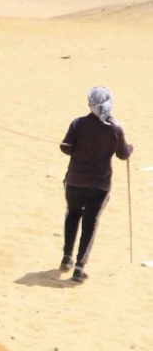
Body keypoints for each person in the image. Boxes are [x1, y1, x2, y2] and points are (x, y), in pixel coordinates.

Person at [59, 86, 133, 283]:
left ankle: (66, 257)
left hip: (74, 181)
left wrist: (77, 147)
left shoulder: (78, 123)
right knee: (90, 222)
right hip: (99, 185)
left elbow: (65, 148)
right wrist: (129, 149)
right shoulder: (115, 128)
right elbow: (122, 155)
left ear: (89, 104)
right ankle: (79, 267)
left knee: (72, 214)